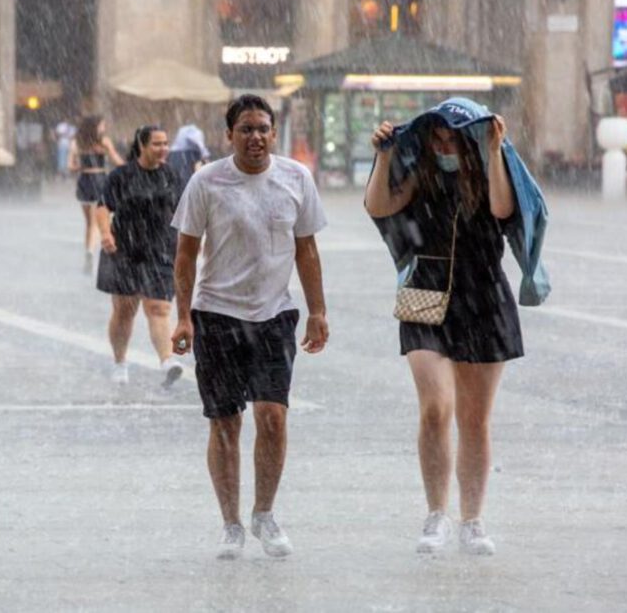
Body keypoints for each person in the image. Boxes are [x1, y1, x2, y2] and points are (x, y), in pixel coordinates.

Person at [170, 94, 329, 560]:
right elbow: (185, 252)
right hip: (216, 314)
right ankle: (231, 523)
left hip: (274, 316)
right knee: (225, 422)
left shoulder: (296, 178)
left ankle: (264, 513)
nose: (255, 137)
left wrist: (317, 310)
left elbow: (307, 250)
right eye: (245, 129)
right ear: (229, 135)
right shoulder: (207, 182)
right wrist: (183, 317)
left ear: (274, 133)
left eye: (263, 128)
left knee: (273, 417)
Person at [364, 101, 525, 557]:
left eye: (453, 136)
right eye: (437, 138)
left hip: (484, 297)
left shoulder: (489, 168)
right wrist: (385, 157)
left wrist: (493, 150)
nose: (444, 145)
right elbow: (378, 206)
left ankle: (471, 520)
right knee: (435, 408)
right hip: (425, 293)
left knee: (475, 420)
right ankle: (436, 513)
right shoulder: (422, 173)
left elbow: (502, 209)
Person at [95, 125, 185, 388]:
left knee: (159, 307)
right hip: (125, 249)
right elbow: (103, 206)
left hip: (161, 250)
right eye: (157, 144)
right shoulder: (122, 176)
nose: (163, 149)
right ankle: (120, 362)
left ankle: (167, 360)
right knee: (124, 310)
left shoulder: (172, 176)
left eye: (166, 143)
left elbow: (185, 211)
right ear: (142, 146)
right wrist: (105, 233)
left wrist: (191, 244)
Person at [68, 116, 125, 274]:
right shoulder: (104, 142)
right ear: (96, 127)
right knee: (100, 221)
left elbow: (70, 166)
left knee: (89, 223)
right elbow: (116, 160)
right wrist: (131, 168)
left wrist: (80, 166)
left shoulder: (77, 143)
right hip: (99, 180)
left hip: (84, 181)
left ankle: (89, 250)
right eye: (102, 125)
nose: (104, 128)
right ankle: (95, 252)